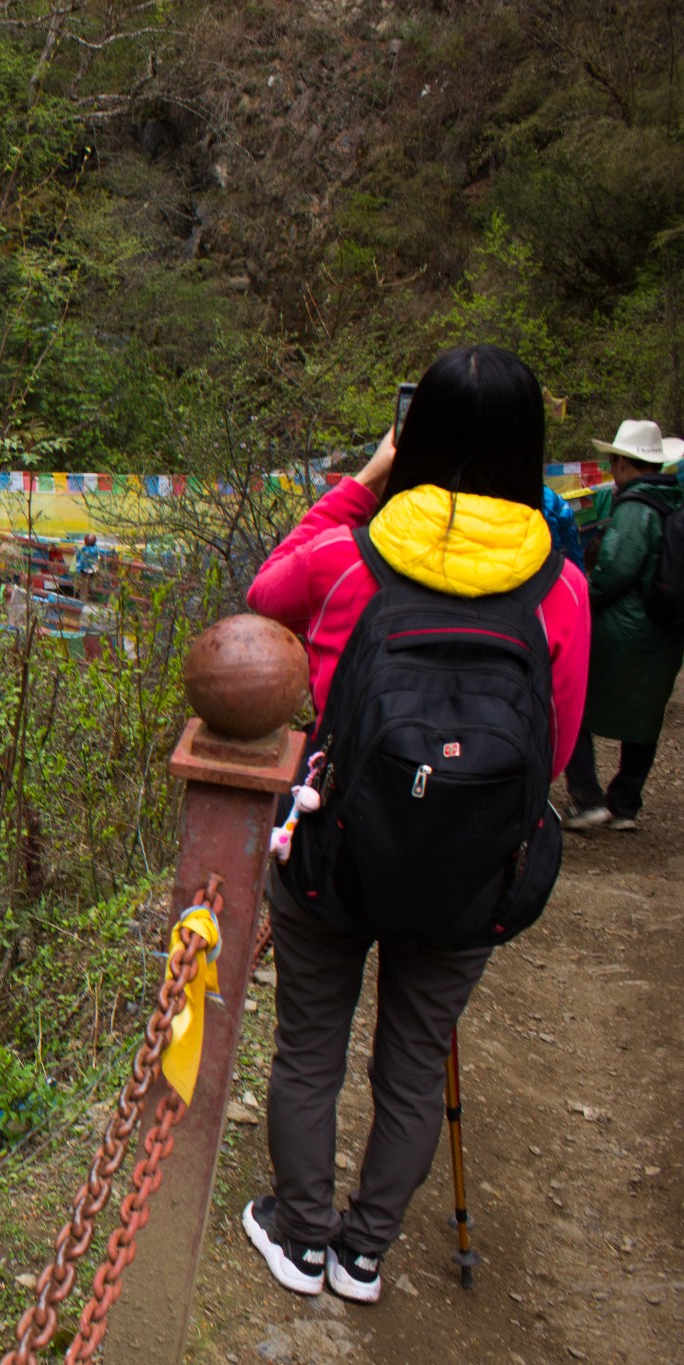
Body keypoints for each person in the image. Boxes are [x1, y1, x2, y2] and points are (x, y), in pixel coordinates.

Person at [239, 345, 590, 1305]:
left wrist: (363, 480)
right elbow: (553, 749)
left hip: (331, 847)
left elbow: (266, 593)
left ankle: (301, 1235)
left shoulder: (352, 556)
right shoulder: (559, 587)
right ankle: (364, 1253)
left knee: (310, 1046)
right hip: (469, 873)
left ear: (414, 435)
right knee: (412, 1063)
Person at [562, 420, 684, 832]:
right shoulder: (673, 501)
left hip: (625, 631)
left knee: (574, 702)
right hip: (665, 631)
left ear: (623, 465)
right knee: (646, 716)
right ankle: (626, 802)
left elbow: (615, 570)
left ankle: (588, 797)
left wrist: (581, 598)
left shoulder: (635, 507)